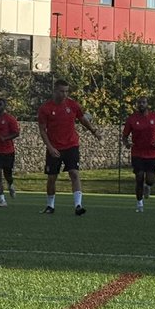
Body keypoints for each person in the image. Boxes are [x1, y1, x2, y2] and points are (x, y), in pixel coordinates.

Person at [37, 80, 100, 215]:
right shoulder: (45, 108)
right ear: (55, 91)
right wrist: (50, 147)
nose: (64, 94)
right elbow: (42, 130)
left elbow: (83, 119)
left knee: (74, 173)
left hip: (71, 145)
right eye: (61, 91)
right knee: (52, 177)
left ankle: (78, 205)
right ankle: (50, 206)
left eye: (66, 91)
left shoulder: (72, 105)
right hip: (55, 148)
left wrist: (94, 131)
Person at [122, 96, 155, 212]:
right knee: (139, 177)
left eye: (143, 102)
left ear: (147, 104)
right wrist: (127, 143)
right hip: (137, 153)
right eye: (139, 103)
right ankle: (139, 203)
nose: (141, 104)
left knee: (150, 179)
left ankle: (148, 187)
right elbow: (125, 136)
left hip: (152, 153)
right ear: (137, 105)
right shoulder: (132, 119)